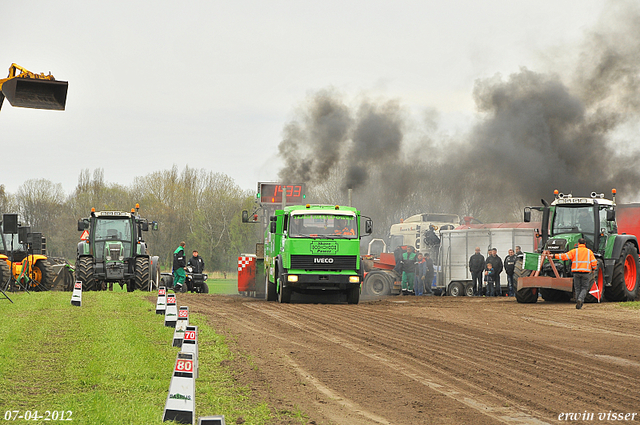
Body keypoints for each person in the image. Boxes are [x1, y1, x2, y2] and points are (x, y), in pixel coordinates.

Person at [550, 238, 597, 309]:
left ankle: (578, 302)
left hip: (576, 272)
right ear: (585, 244)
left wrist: (553, 256)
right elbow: (594, 262)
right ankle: (580, 299)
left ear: (578, 243)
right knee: (584, 288)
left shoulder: (574, 251)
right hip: (586, 273)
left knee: (577, 288)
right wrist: (593, 269)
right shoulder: (589, 252)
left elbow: (564, 256)